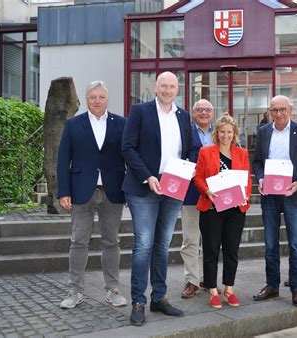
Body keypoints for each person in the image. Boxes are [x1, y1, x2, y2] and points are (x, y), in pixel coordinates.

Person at [122, 71, 195, 326]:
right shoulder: (140, 112)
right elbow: (127, 147)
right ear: (155, 87)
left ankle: (159, 297)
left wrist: (188, 164)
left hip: (173, 187)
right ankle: (138, 301)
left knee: (163, 245)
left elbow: (193, 148)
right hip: (144, 187)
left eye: (172, 86)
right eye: (163, 85)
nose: (167, 90)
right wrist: (148, 176)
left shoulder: (183, 116)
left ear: (178, 89)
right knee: (144, 244)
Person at [57, 80, 127, 309]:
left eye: (101, 97)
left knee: (112, 242)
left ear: (107, 99)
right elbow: (62, 160)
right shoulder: (73, 124)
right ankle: (75, 291)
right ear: (87, 99)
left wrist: (130, 188)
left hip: (112, 191)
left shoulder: (121, 124)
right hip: (80, 191)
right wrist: (64, 191)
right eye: (93, 97)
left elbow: (129, 157)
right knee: (78, 242)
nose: (97, 101)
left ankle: (113, 290)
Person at [252, 95, 297, 307]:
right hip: (270, 195)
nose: (278, 114)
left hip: (293, 194)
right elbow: (257, 162)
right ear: (269, 111)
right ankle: (272, 285)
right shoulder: (263, 132)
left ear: (290, 109)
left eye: (282, 109)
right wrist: (259, 179)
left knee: (295, 244)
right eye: (274, 110)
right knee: (270, 243)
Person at [193, 114, 252, 309]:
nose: (225, 135)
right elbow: (198, 177)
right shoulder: (206, 151)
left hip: (235, 209)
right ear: (216, 133)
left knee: (231, 250)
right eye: (222, 131)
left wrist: (246, 195)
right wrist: (206, 191)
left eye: (229, 132)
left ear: (234, 134)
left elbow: (247, 179)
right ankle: (212, 290)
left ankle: (229, 289)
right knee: (211, 250)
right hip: (211, 208)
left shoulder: (242, 153)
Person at [180, 99, 215, 298]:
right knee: (190, 239)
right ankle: (192, 280)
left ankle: (208, 279)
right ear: (193, 113)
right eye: (199, 109)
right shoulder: (185, 132)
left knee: (211, 240)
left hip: (216, 194)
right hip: (191, 193)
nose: (203, 113)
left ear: (213, 113)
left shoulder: (220, 132)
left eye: (207, 110)